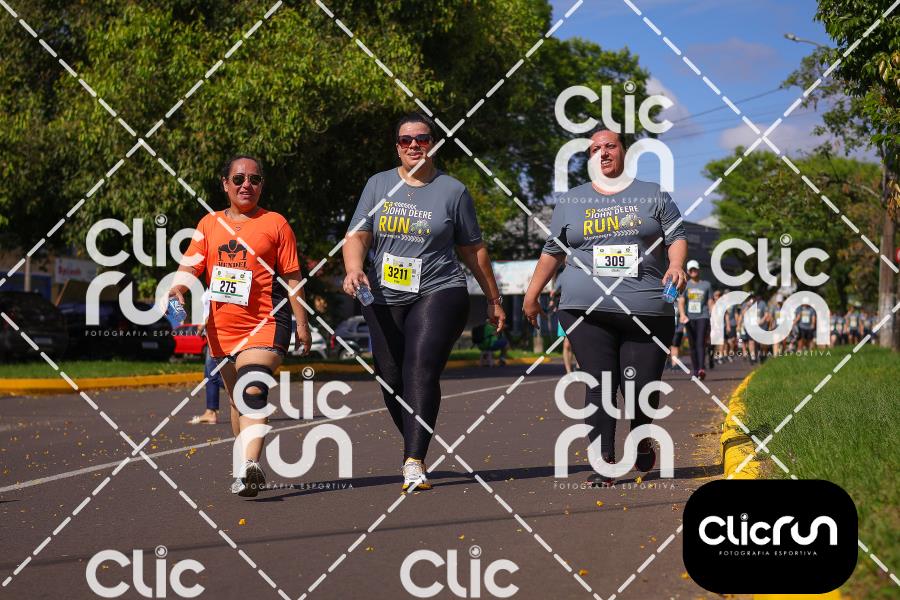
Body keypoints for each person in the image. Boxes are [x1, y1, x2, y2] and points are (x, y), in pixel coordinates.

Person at [342, 113, 506, 492]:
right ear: (397, 147)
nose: (414, 145)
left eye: (422, 138)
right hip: (382, 294)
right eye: (406, 140)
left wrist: (494, 299)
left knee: (419, 369)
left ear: (433, 144)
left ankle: (413, 460)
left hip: (439, 289)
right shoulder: (378, 184)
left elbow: (473, 249)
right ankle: (418, 436)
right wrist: (353, 268)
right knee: (391, 378)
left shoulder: (453, 191)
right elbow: (358, 235)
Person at [523, 125, 688, 487]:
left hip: (646, 308)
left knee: (640, 388)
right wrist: (531, 294)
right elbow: (553, 251)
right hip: (585, 306)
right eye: (595, 149)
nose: (603, 153)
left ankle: (642, 436)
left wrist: (676, 265)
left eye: (610, 146)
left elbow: (676, 236)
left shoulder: (652, 194)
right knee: (600, 382)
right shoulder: (572, 201)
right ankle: (604, 462)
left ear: (624, 151)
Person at [170, 155, 312, 497]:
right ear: (225, 184)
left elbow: (293, 277)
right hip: (222, 330)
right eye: (238, 179)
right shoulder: (209, 224)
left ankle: (251, 465)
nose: (246, 184)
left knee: (252, 388)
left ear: (262, 185)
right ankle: (243, 465)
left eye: (254, 179)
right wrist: (177, 289)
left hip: (267, 322)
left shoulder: (276, 223)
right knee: (237, 401)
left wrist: (302, 323)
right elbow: (190, 266)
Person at [188, 290, 223, 425]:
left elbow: (217, 308)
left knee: (213, 376)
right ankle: (210, 412)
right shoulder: (208, 286)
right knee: (209, 375)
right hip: (212, 333)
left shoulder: (217, 283)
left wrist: (203, 324)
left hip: (218, 333)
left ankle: (248, 394)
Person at [678, 260, 713, 380]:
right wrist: (682, 315)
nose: (693, 271)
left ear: (698, 270)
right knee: (692, 344)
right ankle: (695, 370)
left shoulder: (706, 285)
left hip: (703, 316)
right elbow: (681, 301)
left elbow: (710, 301)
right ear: (688, 271)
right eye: (691, 269)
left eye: (695, 269)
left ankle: (702, 369)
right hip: (689, 318)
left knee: (700, 342)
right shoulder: (686, 285)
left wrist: (713, 314)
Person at [549, 276, 577, 373]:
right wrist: (552, 300)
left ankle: (578, 366)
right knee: (567, 344)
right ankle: (569, 371)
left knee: (575, 342)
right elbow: (553, 292)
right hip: (564, 311)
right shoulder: (563, 275)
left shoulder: (581, 274)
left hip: (578, 312)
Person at [670, 301, 685, 370]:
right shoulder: (666, 302)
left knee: (675, 345)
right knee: (670, 346)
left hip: (678, 328)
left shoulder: (679, 303)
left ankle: (674, 364)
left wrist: (682, 327)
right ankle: (671, 362)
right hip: (668, 327)